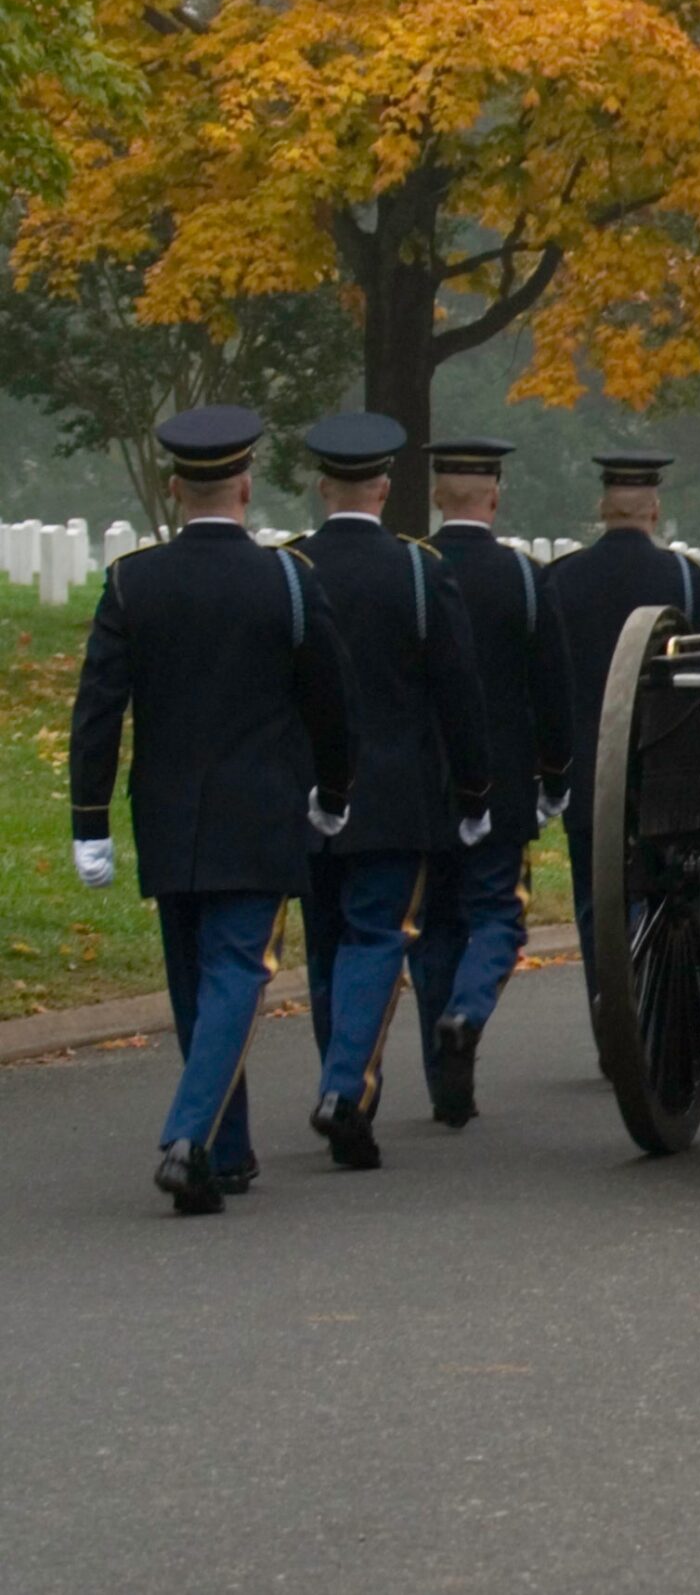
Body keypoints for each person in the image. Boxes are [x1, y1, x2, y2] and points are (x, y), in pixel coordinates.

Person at [69, 407, 355, 1214]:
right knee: (234, 974)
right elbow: (331, 704)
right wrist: (335, 793)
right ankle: (194, 1140)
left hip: (167, 814)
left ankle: (226, 1151)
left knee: (198, 984)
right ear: (245, 484)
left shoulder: (134, 580)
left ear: (173, 488)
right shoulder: (290, 581)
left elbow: (98, 710)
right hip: (259, 815)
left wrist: (89, 820)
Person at [292, 412, 493, 1171]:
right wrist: (475, 791)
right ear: (383, 485)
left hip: (311, 795)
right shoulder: (417, 569)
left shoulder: (291, 566)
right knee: (376, 938)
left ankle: (341, 1083)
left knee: (327, 948)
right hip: (397, 794)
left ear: (321, 487)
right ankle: (346, 1091)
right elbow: (457, 692)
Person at [405, 438, 576, 1126]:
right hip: (502, 783)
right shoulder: (525, 577)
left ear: (439, 496)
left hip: (422, 784)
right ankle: (468, 1012)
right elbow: (551, 686)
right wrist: (555, 774)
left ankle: (448, 1090)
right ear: (494, 496)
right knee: (498, 917)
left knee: (435, 929)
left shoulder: (413, 570)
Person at [544, 453, 700, 990]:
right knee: (666, 887)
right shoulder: (687, 580)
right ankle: (651, 998)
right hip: (664, 770)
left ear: (603, 508)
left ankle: (610, 1011)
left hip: (588, 770)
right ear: (654, 509)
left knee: (594, 901)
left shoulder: (561, 579)